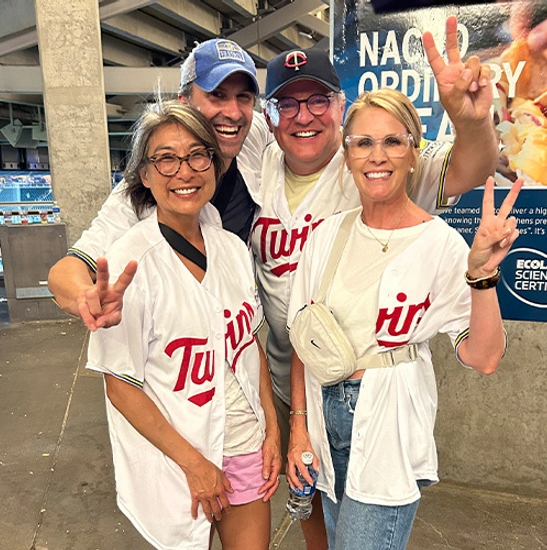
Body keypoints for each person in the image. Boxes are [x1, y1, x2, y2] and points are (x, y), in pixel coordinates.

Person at [251, 15, 498, 549]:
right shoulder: (263, 175)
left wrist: (471, 122)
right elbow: (301, 329)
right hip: (306, 397)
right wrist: (297, 427)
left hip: (383, 415)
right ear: (270, 117)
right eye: (288, 104)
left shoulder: (427, 227)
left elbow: (471, 167)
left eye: (318, 101)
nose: (304, 116)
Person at [285, 88, 522, 550]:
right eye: (363, 143)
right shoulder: (326, 236)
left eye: (393, 142)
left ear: (414, 154)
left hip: (388, 424)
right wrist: (298, 428)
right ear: (348, 155)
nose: (378, 156)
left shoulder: (441, 244)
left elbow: (484, 356)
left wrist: (482, 277)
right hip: (322, 418)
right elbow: (303, 339)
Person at [86, 100, 281, 550]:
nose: (185, 171)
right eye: (166, 159)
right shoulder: (128, 264)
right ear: (145, 175)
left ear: (213, 165)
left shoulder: (232, 249)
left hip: (245, 442)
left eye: (198, 155)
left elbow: (247, 347)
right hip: (178, 457)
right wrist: (195, 464)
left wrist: (271, 428)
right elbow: (121, 387)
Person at [48, 38, 272, 330]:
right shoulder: (146, 190)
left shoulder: (251, 130)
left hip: (236, 324)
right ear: (185, 102)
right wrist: (86, 297)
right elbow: (66, 271)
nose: (232, 112)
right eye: (217, 95)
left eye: (243, 97)